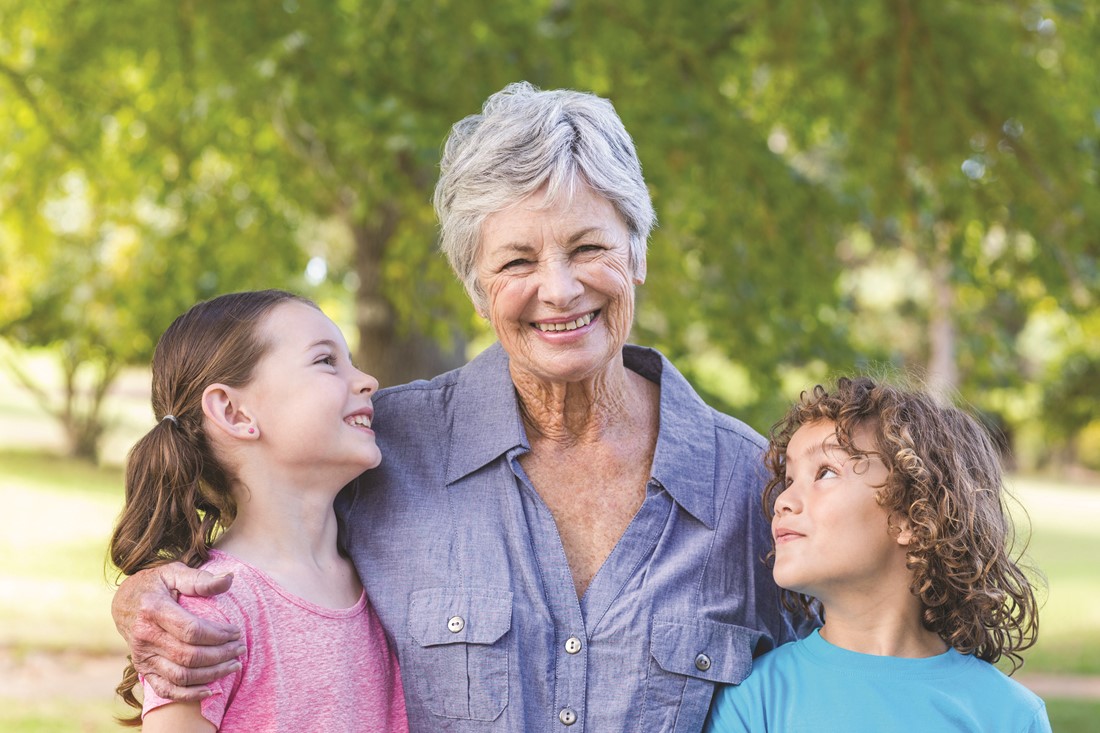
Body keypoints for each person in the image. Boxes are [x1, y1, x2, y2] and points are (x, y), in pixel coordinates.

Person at [111, 82, 812, 732]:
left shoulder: (752, 484)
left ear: (637, 252)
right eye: (517, 262)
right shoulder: (384, 447)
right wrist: (145, 594)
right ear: (476, 289)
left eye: (589, 245)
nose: (560, 289)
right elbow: (260, 530)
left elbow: (871, 641)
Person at [108, 290, 408, 732]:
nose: (368, 380)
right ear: (233, 411)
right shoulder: (206, 615)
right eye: (326, 361)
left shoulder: (385, 577)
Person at [704, 376, 1051, 732]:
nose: (783, 501)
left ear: (912, 517)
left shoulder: (1010, 715)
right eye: (789, 480)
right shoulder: (755, 700)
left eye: (824, 473)